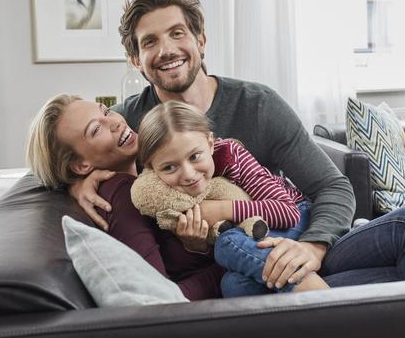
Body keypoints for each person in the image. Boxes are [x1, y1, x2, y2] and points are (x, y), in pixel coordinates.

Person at [69, 0, 405, 292]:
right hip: (248, 266)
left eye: (178, 33)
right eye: (150, 42)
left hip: (299, 238)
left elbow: (332, 186)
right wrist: (77, 182)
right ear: (135, 60)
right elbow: (63, 152)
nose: (168, 49)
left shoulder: (258, 104)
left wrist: (313, 248)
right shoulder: (128, 123)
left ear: (201, 41)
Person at [137, 100, 329, 295]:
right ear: (151, 169)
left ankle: (324, 299)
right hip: (251, 239)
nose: (188, 174)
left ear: (210, 143)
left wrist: (220, 209)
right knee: (233, 285)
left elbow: (287, 212)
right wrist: (196, 245)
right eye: (169, 167)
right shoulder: (161, 194)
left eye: (195, 156)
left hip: (297, 212)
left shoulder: (233, 157)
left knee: (228, 242)